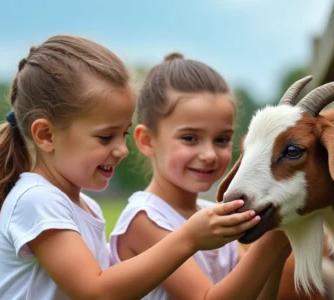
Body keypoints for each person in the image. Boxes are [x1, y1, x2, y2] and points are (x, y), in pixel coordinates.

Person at [0, 35, 262, 300]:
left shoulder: (84, 205)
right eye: (106, 136)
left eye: (123, 134)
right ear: (46, 135)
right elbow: (97, 291)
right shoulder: (37, 199)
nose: (120, 149)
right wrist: (189, 238)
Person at [109, 52, 292, 300]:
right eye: (190, 138)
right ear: (147, 140)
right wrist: (272, 243)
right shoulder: (145, 219)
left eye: (222, 139)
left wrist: (281, 238)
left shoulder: (213, 215)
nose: (209, 154)